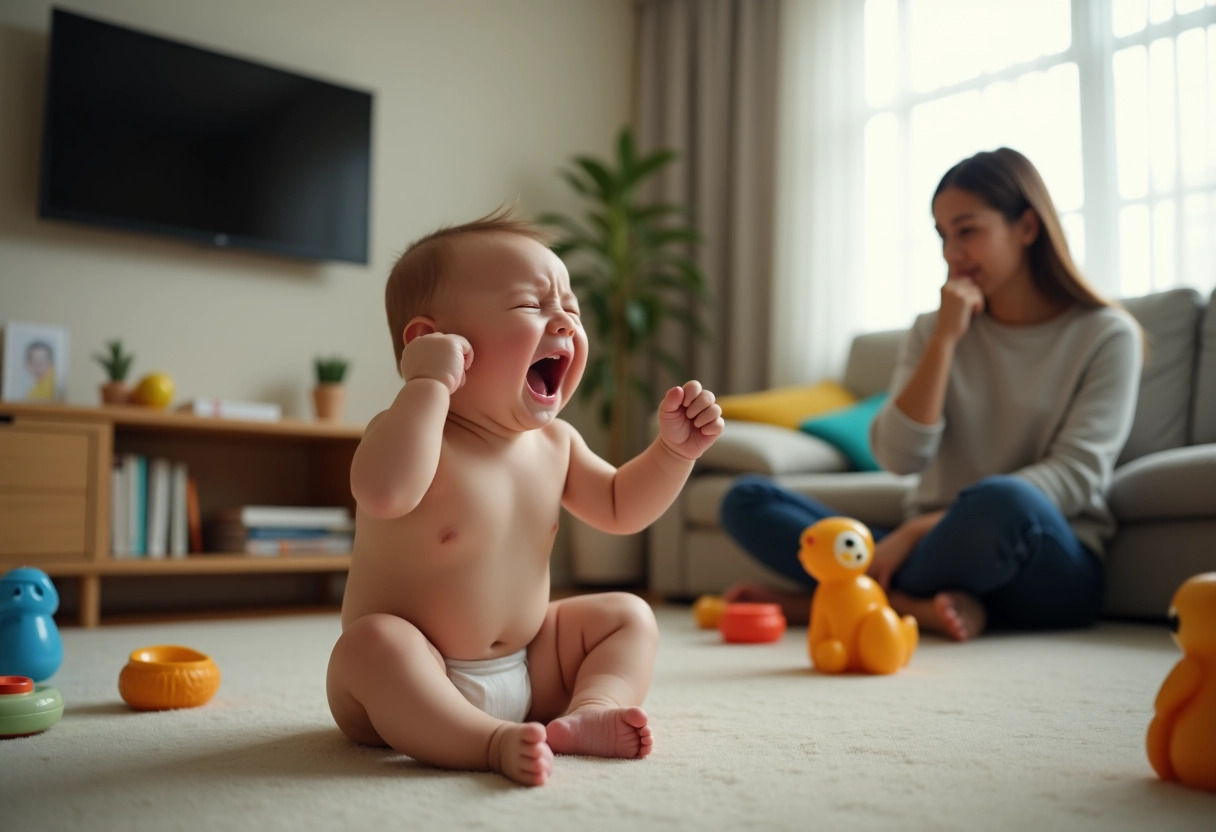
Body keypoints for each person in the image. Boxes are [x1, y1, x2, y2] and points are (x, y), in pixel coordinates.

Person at [326, 209, 724, 787]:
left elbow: (619, 508)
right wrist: (427, 386)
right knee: (371, 644)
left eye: (571, 308)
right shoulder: (412, 434)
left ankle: (589, 713)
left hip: (530, 664)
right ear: (433, 340)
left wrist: (673, 453)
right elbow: (384, 493)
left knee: (628, 616)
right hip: (413, 679)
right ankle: (485, 743)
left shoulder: (556, 443)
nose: (563, 319)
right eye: (531, 306)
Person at [720, 147, 1142, 643]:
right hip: (945, 550)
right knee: (746, 498)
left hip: (1043, 556)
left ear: (1027, 227)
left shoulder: (1107, 335)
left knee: (1004, 499)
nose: (951, 253)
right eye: (942, 236)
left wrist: (915, 533)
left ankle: (842, 597)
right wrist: (944, 340)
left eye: (967, 231)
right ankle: (908, 602)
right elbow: (899, 458)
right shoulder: (933, 330)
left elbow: (1075, 474)